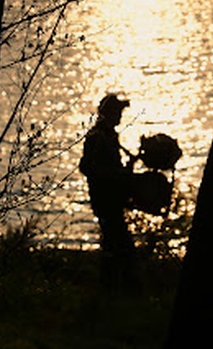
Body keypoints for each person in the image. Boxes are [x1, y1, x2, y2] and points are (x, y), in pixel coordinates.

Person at [79, 93, 138, 290]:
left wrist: (124, 172)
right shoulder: (98, 137)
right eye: (117, 112)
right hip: (106, 201)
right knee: (121, 247)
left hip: (110, 200)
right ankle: (116, 289)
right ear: (109, 114)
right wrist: (115, 175)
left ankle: (110, 289)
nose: (120, 116)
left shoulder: (108, 136)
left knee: (113, 244)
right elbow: (88, 167)